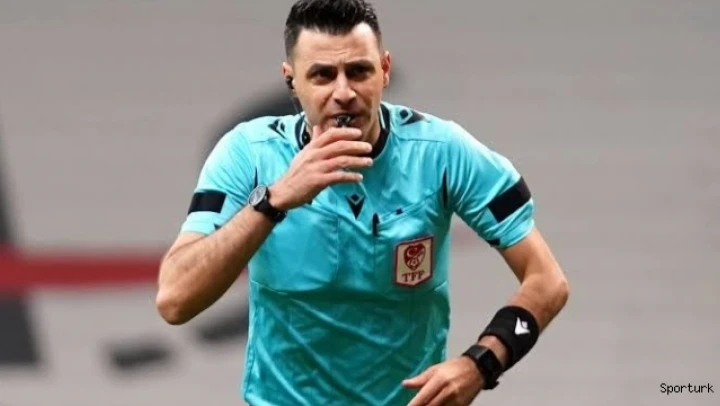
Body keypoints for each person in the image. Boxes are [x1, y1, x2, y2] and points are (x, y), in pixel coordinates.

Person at [155, 0, 570, 404]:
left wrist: (480, 364)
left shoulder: (443, 154)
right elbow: (175, 299)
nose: (344, 93)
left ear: (384, 70)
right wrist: (275, 200)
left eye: (358, 71)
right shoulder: (249, 154)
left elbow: (547, 281)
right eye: (322, 75)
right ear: (291, 81)